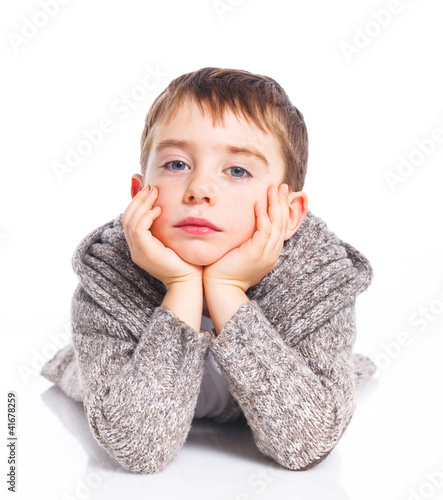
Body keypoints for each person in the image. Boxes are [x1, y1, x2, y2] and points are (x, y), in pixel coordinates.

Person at [41, 67, 376, 474]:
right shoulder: (108, 275)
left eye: (237, 171)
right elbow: (138, 447)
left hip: (291, 374)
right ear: (138, 194)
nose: (199, 189)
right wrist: (182, 286)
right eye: (177, 164)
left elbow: (305, 444)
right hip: (115, 376)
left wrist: (228, 289)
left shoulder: (316, 279)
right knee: (84, 372)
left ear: (289, 215)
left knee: (332, 383)